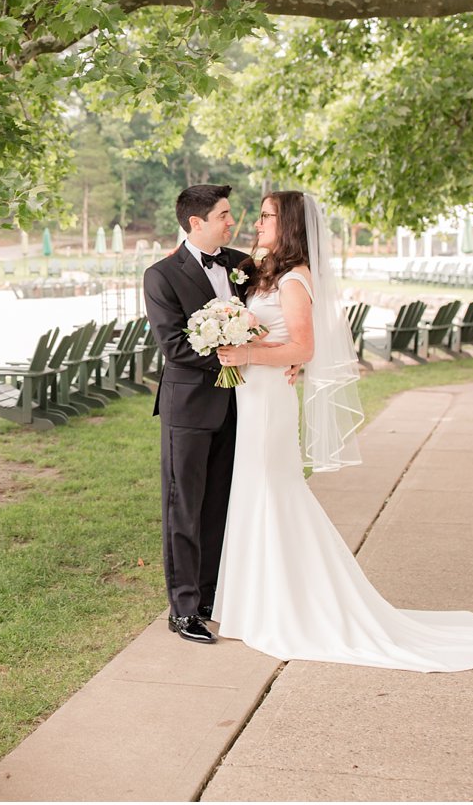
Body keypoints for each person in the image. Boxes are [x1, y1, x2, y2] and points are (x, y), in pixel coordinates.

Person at [213, 190, 473, 671]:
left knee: (270, 491)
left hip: (268, 404)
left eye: (267, 217)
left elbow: (302, 349)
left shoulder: (295, 280)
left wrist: (245, 354)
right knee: (256, 491)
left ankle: (284, 607)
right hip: (254, 394)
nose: (257, 223)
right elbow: (274, 336)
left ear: (292, 226)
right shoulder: (267, 273)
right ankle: (253, 602)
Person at [142, 184, 293, 645]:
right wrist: (238, 354)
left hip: (242, 405)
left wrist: (289, 351)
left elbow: (276, 309)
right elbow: (174, 346)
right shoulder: (160, 275)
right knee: (183, 508)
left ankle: (210, 596)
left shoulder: (239, 265)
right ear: (196, 223)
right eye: (224, 215)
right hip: (187, 408)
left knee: (219, 506)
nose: (233, 223)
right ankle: (183, 609)